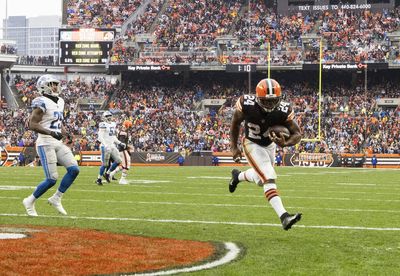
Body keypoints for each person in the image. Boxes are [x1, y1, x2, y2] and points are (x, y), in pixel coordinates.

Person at [229, 78, 302, 231]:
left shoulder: (283, 109)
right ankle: (284, 216)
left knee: (261, 180)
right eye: (266, 101)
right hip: (252, 143)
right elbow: (235, 124)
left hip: (270, 145)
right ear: (257, 98)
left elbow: (297, 134)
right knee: (268, 176)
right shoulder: (247, 104)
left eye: (273, 101)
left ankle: (238, 176)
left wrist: (285, 143)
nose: (270, 105)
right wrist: (234, 147)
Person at [22, 74, 80, 216]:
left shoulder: (60, 101)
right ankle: (29, 200)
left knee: (74, 170)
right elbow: (32, 124)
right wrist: (51, 133)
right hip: (45, 142)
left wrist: (66, 133)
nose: (55, 86)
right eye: (52, 84)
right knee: (52, 179)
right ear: (43, 86)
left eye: (55, 83)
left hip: (57, 141)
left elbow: (57, 123)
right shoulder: (40, 101)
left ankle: (56, 198)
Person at [96, 111, 126, 185]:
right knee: (105, 164)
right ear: (104, 117)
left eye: (110, 115)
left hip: (112, 145)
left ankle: (107, 173)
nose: (109, 117)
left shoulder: (113, 124)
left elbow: (113, 137)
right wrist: (105, 145)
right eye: (107, 116)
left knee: (119, 160)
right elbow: (100, 137)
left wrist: (119, 143)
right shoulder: (102, 124)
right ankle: (99, 178)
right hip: (105, 146)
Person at [109, 120, 132, 185]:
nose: (129, 128)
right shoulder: (123, 132)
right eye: (129, 126)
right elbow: (122, 142)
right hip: (123, 150)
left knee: (123, 165)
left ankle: (111, 174)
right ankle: (122, 179)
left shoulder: (123, 131)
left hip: (122, 150)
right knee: (127, 165)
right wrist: (126, 147)